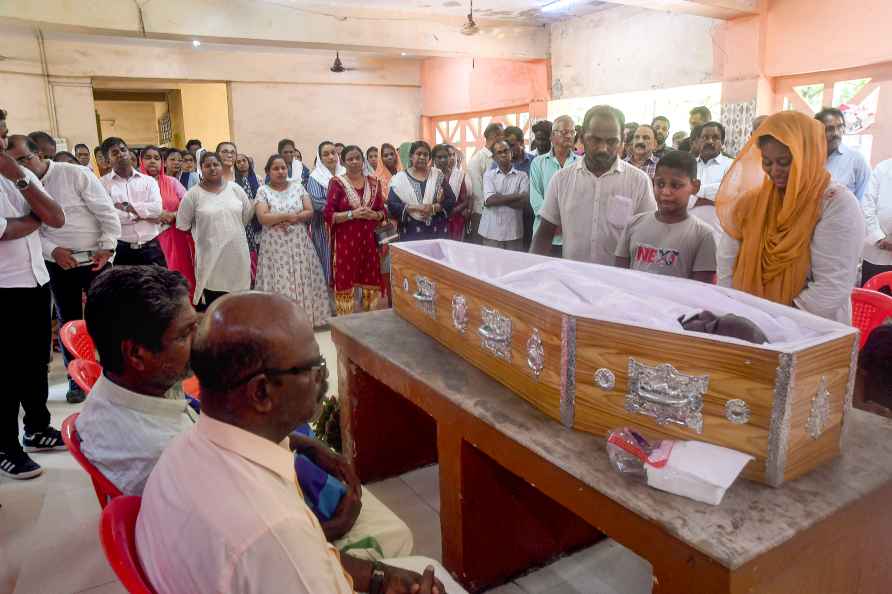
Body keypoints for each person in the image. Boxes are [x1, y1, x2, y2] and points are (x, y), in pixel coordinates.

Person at [136, 292, 463, 594]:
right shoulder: (276, 532)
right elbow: (283, 552)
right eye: (312, 367)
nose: (322, 378)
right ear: (261, 393)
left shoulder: (182, 450)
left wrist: (380, 578)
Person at [715, 111, 865, 323]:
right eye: (767, 162)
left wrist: (774, 325)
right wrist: (735, 313)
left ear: (808, 155)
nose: (775, 171)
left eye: (784, 162)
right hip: (746, 322)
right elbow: (726, 265)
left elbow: (832, 285)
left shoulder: (836, 203)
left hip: (810, 329)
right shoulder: (751, 203)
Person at [6, 134, 120, 403]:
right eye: (14, 163)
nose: (22, 167)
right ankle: (76, 379)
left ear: (41, 154)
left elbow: (106, 212)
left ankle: (113, 376)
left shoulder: (74, 174)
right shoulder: (17, 187)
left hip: (96, 259)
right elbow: (29, 230)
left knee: (105, 318)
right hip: (57, 263)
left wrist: (107, 246)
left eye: (25, 159)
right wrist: (53, 252)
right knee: (68, 321)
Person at [0, 136, 66, 479]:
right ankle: (6, 446)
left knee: (36, 363)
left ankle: (37, 428)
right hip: (3, 288)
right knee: (6, 375)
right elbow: (3, 231)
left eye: (3, 134)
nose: (1, 142)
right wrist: (34, 219)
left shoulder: (19, 175)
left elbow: (55, 216)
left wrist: (20, 178)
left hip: (35, 282)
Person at [531, 105, 657, 264]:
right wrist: (532, 271)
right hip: (572, 280)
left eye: (612, 141)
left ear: (623, 142)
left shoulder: (639, 181)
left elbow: (649, 238)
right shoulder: (561, 180)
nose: (603, 148)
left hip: (618, 283)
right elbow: (544, 234)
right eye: (595, 140)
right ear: (582, 137)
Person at [615, 150, 716, 282]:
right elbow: (618, 277)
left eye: (675, 185)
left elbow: (700, 291)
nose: (666, 192)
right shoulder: (634, 224)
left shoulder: (703, 235)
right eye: (660, 184)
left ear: (695, 186)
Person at [256, 154, 331, 325]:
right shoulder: (263, 191)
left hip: (298, 244)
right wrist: (286, 215)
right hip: (275, 247)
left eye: (283, 168)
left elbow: (309, 211)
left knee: (302, 276)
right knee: (279, 280)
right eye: (275, 168)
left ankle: (304, 321)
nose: (281, 171)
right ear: (268, 171)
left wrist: (291, 219)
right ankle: (280, 324)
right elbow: (262, 217)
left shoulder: (298, 187)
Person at [176, 151, 254, 309]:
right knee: (216, 306)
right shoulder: (193, 195)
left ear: (222, 167)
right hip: (210, 258)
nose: (212, 168)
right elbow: (182, 224)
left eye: (216, 164)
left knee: (240, 304)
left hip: (237, 255)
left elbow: (246, 216)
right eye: (207, 165)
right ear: (201, 168)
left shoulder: (235, 189)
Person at [324, 145, 387, 315]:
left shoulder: (374, 183)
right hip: (346, 243)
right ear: (343, 161)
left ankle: (370, 323)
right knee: (345, 283)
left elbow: (383, 211)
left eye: (358, 158)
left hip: (369, 243)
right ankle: (346, 327)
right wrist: (352, 214)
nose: (354, 161)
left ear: (362, 159)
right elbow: (329, 215)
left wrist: (374, 215)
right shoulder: (337, 183)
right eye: (350, 159)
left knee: (370, 281)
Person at [99, 137, 166, 266]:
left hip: (151, 248)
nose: (121, 154)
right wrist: (143, 215)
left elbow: (157, 209)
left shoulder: (148, 181)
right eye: (115, 152)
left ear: (129, 153)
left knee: (159, 285)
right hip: (122, 250)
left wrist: (126, 209)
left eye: (123, 150)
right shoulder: (102, 184)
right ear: (107, 160)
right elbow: (110, 217)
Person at [139, 146, 195, 297]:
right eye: (148, 158)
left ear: (162, 162)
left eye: (157, 158)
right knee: (156, 282)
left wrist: (173, 215)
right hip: (148, 240)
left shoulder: (172, 182)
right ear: (141, 161)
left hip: (176, 237)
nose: (152, 161)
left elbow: (189, 204)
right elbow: (131, 209)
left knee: (180, 275)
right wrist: (157, 215)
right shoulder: (135, 184)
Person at [530, 115, 578, 258]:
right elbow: (536, 199)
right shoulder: (538, 163)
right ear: (552, 136)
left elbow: (583, 198)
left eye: (572, 132)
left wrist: (566, 223)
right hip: (544, 236)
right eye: (564, 132)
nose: (569, 136)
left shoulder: (581, 164)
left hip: (573, 237)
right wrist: (553, 223)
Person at [388, 141, 456, 241]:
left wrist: (434, 207)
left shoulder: (437, 175)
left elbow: (451, 199)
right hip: (410, 231)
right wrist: (415, 207)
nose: (422, 157)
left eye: (426, 154)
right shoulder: (400, 179)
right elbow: (392, 205)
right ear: (411, 156)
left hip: (436, 230)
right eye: (419, 154)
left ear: (429, 158)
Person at [478, 140, 528, 251]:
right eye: (499, 152)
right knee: (490, 267)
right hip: (491, 231)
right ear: (494, 157)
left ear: (511, 152)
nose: (503, 154)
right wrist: (516, 195)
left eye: (506, 151)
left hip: (514, 233)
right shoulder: (488, 175)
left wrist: (498, 198)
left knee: (514, 267)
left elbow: (523, 203)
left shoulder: (522, 176)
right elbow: (490, 200)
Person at [307, 141, 344, 285]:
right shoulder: (315, 177)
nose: (331, 157)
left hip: (345, 227)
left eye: (333, 153)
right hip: (324, 228)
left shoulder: (345, 174)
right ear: (320, 158)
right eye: (326, 154)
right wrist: (345, 209)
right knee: (327, 264)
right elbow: (318, 204)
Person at [689, 121, 733, 238]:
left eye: (715, 138)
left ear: (723, 142)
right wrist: (709, 199)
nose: (709, 141)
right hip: (687, 231)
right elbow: (680, 193)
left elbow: (727, 192)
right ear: (698, 141)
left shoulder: (731, 165)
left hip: (718, 233)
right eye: (705, 137)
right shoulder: (688, 165)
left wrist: (693, 192)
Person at [816, 107, 870, 201]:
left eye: (840, 127)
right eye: (829, 129)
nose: (836, 133)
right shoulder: (808, 158)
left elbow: (864, 199)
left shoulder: (856, 160)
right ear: (817, 131)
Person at [466, 123, 504, 242]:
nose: (504, 140)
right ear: (495, 136)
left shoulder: (500, 156)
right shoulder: (477, 160)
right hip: (483, 215)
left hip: (502, 213)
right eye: (502, 136)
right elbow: (478, 193)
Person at [861, 157, 892, 286]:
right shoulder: (883, 168)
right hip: (877, 253)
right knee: (871, 301)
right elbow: (867, 204)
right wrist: (878, 238)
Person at [436, 145, 470, 242]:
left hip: (455, 218)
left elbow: (465, 200)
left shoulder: (459, 176)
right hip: (437, 218)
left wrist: (454, 211)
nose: (449, 158)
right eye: (445, 156)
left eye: (452, 155)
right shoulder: (431, 175)